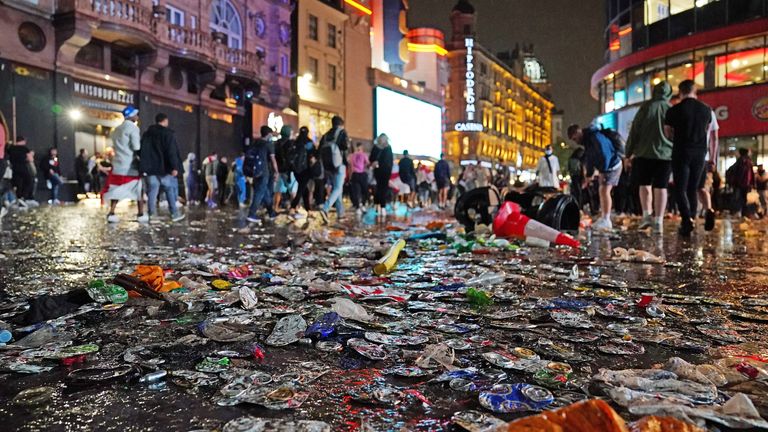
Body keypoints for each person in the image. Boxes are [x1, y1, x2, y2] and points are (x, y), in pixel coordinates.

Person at [664, 80, 714, 236]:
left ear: (680, 92)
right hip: (700, 153)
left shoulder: (674, 110)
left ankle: (687, 219)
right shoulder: (706, 110)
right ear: (695, 91)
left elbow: (667, 133)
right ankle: (692, 217)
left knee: (680, 188)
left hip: (681, 151)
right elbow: (708, 131)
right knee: (693, 188)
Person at [625, 81, 673, 234]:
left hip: (643, 153)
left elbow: (635, 130)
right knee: (661, 187)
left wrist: (628, 152)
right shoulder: (670, 109)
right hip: (665, 155)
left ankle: (646, 216)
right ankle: (658, 220)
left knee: (644, 185)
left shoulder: (646, 107)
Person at [567, 124, 623, 231]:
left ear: (578, 132)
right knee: (603, 190)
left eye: (575, 138)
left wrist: (603, 170)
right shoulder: (589, 139)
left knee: (604, 191)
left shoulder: (594, 137)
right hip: (610, 165)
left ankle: (606, 220)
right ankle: (604, 218)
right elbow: (591, 160)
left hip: (612, 165)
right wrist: (589, 174)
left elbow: (604, 153)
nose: (575, 142)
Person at [102, 106, 146, 222]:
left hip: (117, 164)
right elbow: (136, 147)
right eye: (136, 114)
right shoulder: (133, 128)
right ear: (132, 115)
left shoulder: (117, 129)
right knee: (138, 189)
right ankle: (141, 213)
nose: (137, 117)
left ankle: (111, 212)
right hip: (130, 165)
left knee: (116, 188)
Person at [139, 113, 185, 222]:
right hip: (164, 168)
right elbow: (171, 152)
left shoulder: (147, 134)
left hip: (150, 169)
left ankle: (151, 214)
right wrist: (174, 167)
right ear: (165, 121)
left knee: (152, 191)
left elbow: (141, 150)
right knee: (169, 189)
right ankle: (174, 213)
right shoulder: (167, 134)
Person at [319, 116, 349, 224]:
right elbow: (345, 147)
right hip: (338, 164)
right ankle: (325, 208)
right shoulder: (342, 132)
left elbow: (319, 150)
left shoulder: (326, 135)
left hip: (328, 166)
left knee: (337, 189)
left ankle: (341, 214)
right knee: (338, 188)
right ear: (341, 124)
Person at [246, 126, 279, 223]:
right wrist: (276, 172)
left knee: (265, 193)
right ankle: (251, 214)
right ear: (268, 134)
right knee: (260, 193)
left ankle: (271, 213)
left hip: (255, 171)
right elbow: (273, 160)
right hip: (264, 171)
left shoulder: (255, 143)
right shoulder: (269, 144)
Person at [697, 108, 720, 230]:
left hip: (687, 154)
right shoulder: (708, 112)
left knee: (686, 188)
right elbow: (714, 137)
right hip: (703, 156)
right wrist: (712, 158)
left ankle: (689, 218)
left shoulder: (682, 109)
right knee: (701, 188)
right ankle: (709, 209)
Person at [289, 126, 314, 215]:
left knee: (304, 189)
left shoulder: (295, 142)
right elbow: (312, 155)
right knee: (301, 189)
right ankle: (293, 206)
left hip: (296, 170)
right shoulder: (309, 142)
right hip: (306, 169)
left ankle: (308, 209)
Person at [370, 133, 394, 218]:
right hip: (386, 171)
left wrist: (376, 162)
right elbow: (390, 161)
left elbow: (371, 158)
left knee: (379, 187)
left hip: (377, 170)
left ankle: (377, 205)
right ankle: (382, 207)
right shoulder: (388, 148)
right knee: (383, 188)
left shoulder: (375, 147)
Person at [726, 148, 754, 218]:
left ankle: (739, 213)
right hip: (745, 184)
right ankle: (743, 214)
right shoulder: (748, 161)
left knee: (739, 198)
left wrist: (734, 182)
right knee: (743, 199)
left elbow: (735, 172)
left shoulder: (741, 161)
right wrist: (752, 184)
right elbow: (751, 174)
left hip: (740, 184)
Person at [7, 136, 34, 207]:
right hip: (23, 167)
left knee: (18, 184)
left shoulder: (11, 148)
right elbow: (30, 159)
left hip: (14, 168)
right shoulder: (24, 149)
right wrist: (31, 155)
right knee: (29, 181)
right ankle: (23, 197)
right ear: (23, 141)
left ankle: (18, 198)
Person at [273, 125, 294, 211]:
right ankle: (293, 208)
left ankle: (275, 207)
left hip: (279, 170)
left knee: (278, 190)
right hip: (288, 171)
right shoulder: (290, 143)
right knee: (293, 190)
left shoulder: (276, 143)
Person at [348, 143, 370, 214]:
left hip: (355, 174)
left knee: (356, 192)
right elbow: (367, 164)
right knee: (364, 191)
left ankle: (358, 207)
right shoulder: (364, 155)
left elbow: (350, 167)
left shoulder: (351, 156)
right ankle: (362, 206)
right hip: (362, 174)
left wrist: (350, 177)